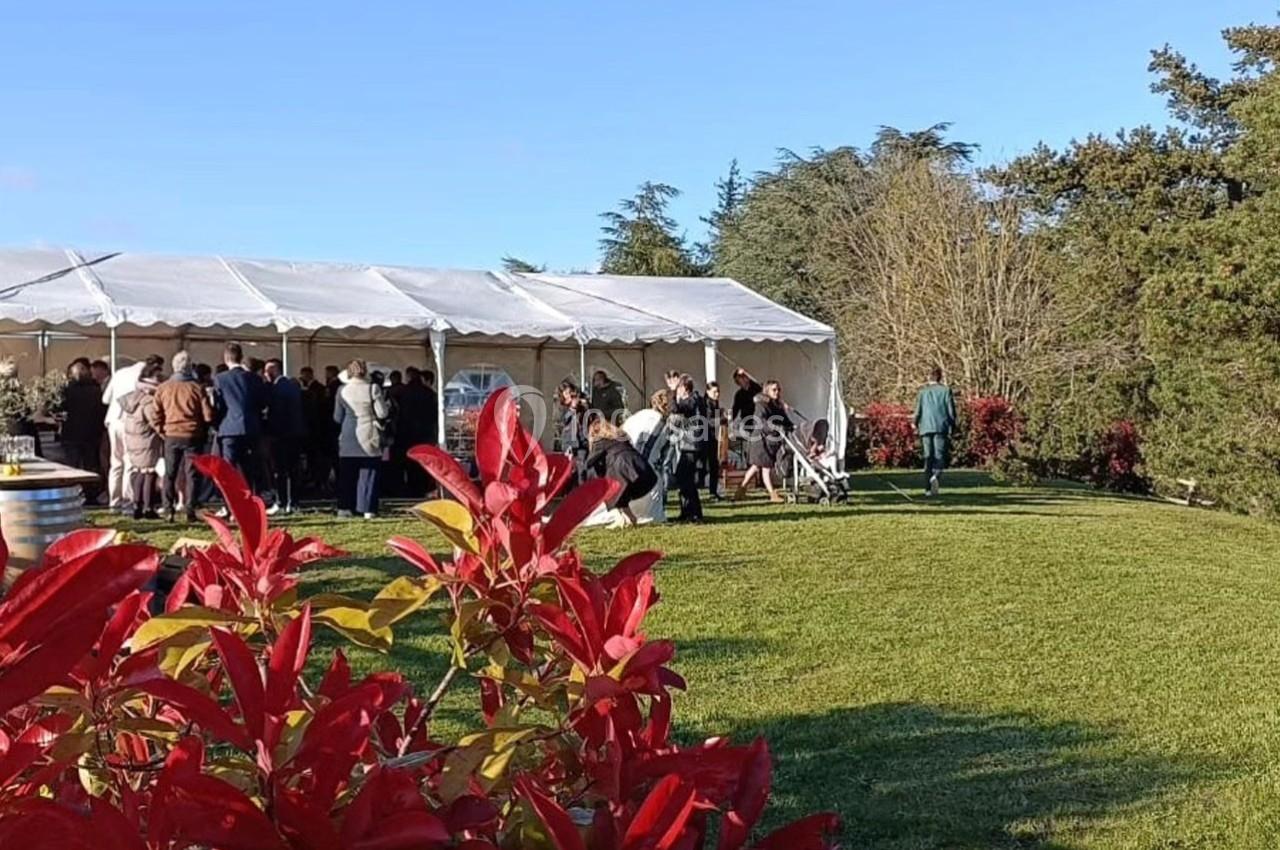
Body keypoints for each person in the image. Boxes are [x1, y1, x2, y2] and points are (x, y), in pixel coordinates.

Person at [151, 351, 215, 523]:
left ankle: (168, 509)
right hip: (193, 435)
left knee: (170, 474)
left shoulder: (163, 388)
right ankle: (190, 509)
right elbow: (208, 415)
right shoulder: (197, 387)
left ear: (174, 367)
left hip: (171, 435)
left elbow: (155, 413)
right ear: (189, 368)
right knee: (192, 474)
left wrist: (161, 430)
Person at [102, 354, 164, 514]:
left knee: (115, 463)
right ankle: (128, 500)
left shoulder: (120, 372)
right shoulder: (144, 378)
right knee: (133, 464)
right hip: (133, 421)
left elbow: (105, 399)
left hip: (113, 419)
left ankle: (114, 501)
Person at [334, 359, 390, 519]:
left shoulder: (341, 390)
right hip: (369, 434)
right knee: (369, 474)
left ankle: (344, 507)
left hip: (348, 436)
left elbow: (337, 417)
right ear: (366, 372)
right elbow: (382, 413)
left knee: (347, 474)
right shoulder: (373, 388)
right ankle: (367, 509)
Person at [212, 342, 269, 493]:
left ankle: (230, 504)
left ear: (226, 358)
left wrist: (216, 424)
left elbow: (218, 406)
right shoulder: (254, 378)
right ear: (241, 357)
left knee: (229, 468)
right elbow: (263, 403)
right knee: (248, 467)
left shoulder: (220, 379)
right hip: (251, 427)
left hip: (229, 428)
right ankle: (248, 497)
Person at [585, 418, 658, 528]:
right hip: (642, 470)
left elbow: (590, 461)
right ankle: (627, 518)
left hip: (622, 469)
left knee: (611, 491)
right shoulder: (621, 438)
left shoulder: (600, 441)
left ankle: (624, 518)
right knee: (620, 494)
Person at [736, 380, 792, 503]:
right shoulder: (761, 405)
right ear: (767, 391)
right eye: (774, 390)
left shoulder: (777, 405)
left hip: (770, 442)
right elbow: (761, 422)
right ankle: (772, 494)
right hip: (761, 440)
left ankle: (740, 490)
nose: (777, 392)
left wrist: (791, 426)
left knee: (756, 467)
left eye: (778, 390)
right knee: (764, 468)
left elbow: (784, 420)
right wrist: (775, 427)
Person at [120, 361, 164, 520]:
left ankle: (136, 505)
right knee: (149, 473)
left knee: (139, 471)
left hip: (134, 439)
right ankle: (148, 507)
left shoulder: (132, 399)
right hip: (147, 440)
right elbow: (155, 421)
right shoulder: (147, 401)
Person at [60, 360, 107, 502]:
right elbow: (102, 411)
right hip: (90, 435)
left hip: (73, 435)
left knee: (73, 467)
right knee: (90, 467)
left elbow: (58, 410)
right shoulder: (96, 390)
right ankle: (90, 495)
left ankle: (71, 494)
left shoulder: (66, 390)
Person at [264, 358, 306, 514]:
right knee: (293, 470)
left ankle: (281, 502)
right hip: (295, 433)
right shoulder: (292, 385)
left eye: (268, 370)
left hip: (281, 434)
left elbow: (277, 413)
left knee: (281, 470)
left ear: (275, 370)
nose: (265, 373)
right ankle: (293, 502)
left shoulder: (277, 388)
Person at [914, 365, 957, 497]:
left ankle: (927, 489)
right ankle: (935, 477)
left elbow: (918, 411)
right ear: (940, 377)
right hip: (941, 427)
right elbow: (951, 411)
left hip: (926, 427)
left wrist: (915, 423)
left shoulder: (922, 392)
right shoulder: (946, 390)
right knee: (939, 455)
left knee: (928, 457)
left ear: (929, 377)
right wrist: (953, 424)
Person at [394, 366, 437, 497]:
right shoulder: (430, 393)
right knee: (421, 462)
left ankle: (406, 489)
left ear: (408, 377)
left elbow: (396, 412)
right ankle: (421, 488)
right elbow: (434, 414)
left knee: (405, 462)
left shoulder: (401, 392)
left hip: (405, 432)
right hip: (424, 434)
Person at [668, 377, 705, 522]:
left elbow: (675, 409)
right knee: (683, 477)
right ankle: (687, 512)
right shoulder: (696, 400)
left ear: (683, 388)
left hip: (691, 445)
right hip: (690, 444)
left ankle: (694, 513)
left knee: (685, 479)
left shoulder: (692, 400)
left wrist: (672, 391)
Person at [557, 380, 590, 484]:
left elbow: (590, 412)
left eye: (569, 392)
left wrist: (582, 403)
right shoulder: (561, 405)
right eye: (565, 393)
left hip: (581, 440)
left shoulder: (580, 400)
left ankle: (582, 490)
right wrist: (572, 408)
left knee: (582, 468)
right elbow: (562, 420)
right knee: (569, 470)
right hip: (569, 441)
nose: (568, 396)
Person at [702, 381, 723, 500]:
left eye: (718, 391)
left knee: (714, 465)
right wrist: (721, 419)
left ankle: (713, 491)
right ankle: (711, 490)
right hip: (704, 437)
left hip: (711, 437)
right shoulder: (706, 404)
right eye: (714, 392)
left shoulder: (715, 403)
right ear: (708, 392)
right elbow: (708, 421)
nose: (717, 394)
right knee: (707, 465)